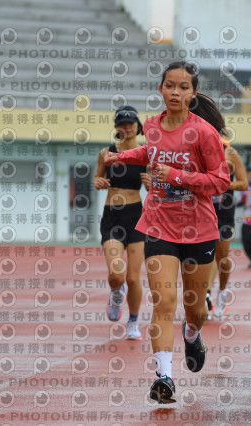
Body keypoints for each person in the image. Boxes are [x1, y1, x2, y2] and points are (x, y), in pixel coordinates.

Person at [104, 61, 230, 404]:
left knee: (194, 309)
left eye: (183, 87)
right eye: (170, 85)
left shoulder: (204, 132)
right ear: (161, 89)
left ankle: (192, 334)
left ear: (193, 93)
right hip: (159, 224)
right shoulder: (151, 126)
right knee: (164, 302)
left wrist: (176, 176)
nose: (176, 92)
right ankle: (164, 378)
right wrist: (122, 157)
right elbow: (151, 152)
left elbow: (220, 181)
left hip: (199, 229)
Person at [94, 105, 150, 340]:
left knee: (133, 278)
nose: (126, 127)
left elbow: (156, 189)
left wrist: (151, 184)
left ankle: (133, 321)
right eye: (122, 124)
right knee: (117, 275)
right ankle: (116, 293)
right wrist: (98, 182)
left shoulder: (147, 154)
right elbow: (98, 177)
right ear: (116, 127)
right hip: (112, 216)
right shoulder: (106, 153)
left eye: (130, 123)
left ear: (138, 127)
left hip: (136, 217)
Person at [207, 140, 247, 318]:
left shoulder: (230, 153)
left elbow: (243, 184)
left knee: (221, 257)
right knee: (205, 255)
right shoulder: (196, 150)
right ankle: (206, 295)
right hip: (203, 211)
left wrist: (222, 184)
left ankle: (222, 291)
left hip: (224, 212)